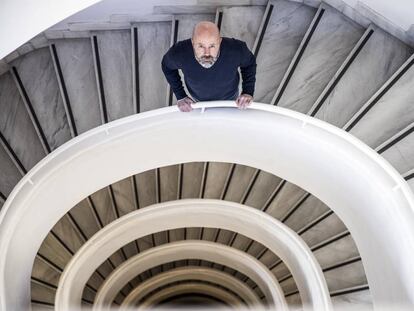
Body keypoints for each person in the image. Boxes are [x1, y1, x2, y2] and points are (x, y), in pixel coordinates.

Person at [161, 21, 257, 112]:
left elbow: (249, 63)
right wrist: (180, 95)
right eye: (201, 46)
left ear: (220, 42)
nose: (207, 53)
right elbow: (167, 66)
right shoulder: (179, 53)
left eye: (212, 46)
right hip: (198, 99)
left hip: (230, 97)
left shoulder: (237, 49)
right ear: (193, 43)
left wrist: (247, 91)